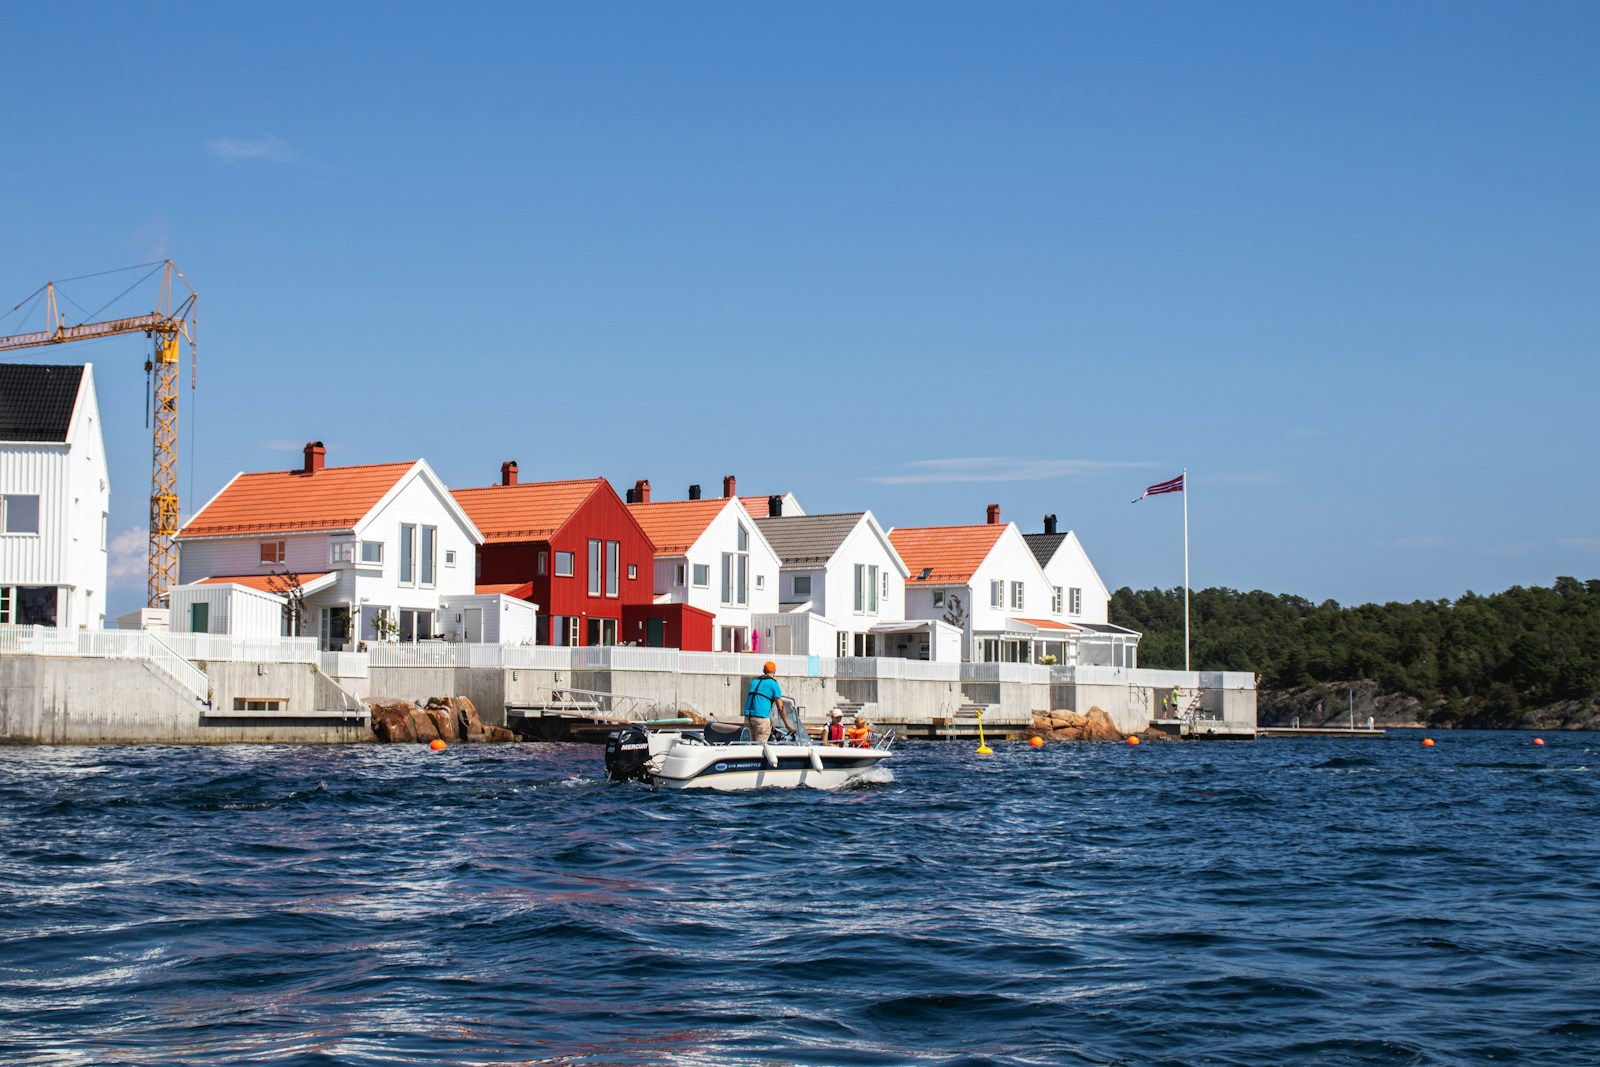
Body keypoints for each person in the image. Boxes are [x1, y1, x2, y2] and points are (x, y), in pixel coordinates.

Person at [743, 661, 783, 744]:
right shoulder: (773, 684)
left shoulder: (754, 682)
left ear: (763, 671)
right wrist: (787, 724)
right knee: (760, 746)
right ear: (775, 671)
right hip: (761, 718)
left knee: (750, 745)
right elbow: (780, 707)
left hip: (748, 718)